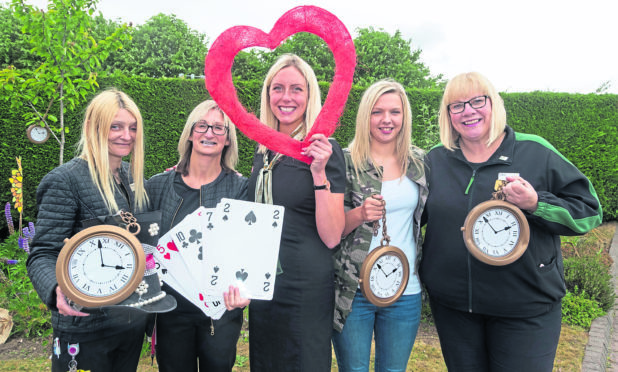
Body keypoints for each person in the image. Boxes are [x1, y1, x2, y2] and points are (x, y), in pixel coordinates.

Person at [419, 72, 603, 371]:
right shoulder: (436, 160)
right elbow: (412, 215)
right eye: (457, 105)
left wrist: (536, 204)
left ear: (494, 104)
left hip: (525, 308)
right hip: (454, 309)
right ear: (448, 114)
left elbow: (589, 211)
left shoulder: (535, 151)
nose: (468, 111)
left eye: (477, 101)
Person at [27, 89, 153, 372]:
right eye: (116, 127)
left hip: (129, 322)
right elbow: (43, 252)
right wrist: (55, 288)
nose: (127, 135)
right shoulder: (65, 180)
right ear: (95, 127)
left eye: (133, 128)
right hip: (84, 325)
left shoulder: (133, 177)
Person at [247, 53, 346, 371]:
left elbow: (332, 236)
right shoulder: (263, 150)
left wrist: (318, 172)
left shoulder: (325, 150)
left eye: (296, 89)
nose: (286, 97)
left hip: (305, 287)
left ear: (309, 95)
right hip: (264, 285)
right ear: (267, 94)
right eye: (277, 88)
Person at [146, 100, 249, 371]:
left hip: (220, 311)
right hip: (170, 311)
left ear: (228, 140)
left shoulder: (241, 189)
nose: (209, 133)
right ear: (190, 133)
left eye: (219, 128)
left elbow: (249, 248)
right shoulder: (157, 186)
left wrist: (246, 288)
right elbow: (142, 243)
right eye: (202, 125)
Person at [332, 79, 428, 372]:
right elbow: (331, 230)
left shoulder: (420, 162)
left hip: (404, 289)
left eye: (394, 112)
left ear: (404, 116)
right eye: (377, 112)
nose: (386, 119)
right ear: (365, 117)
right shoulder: (346, 162)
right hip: (353, 291)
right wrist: (360, 214)